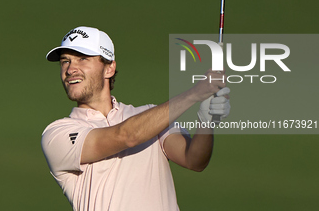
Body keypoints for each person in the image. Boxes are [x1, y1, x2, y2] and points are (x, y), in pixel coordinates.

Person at [41, 26, 230, 211]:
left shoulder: (152, 117)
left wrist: (206, 121)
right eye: (65, 61)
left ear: (109, 68)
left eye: (82, 59)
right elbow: (127, 136)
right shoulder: (57, 134)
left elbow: (194, 160)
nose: (70, 69)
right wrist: (195, 93)